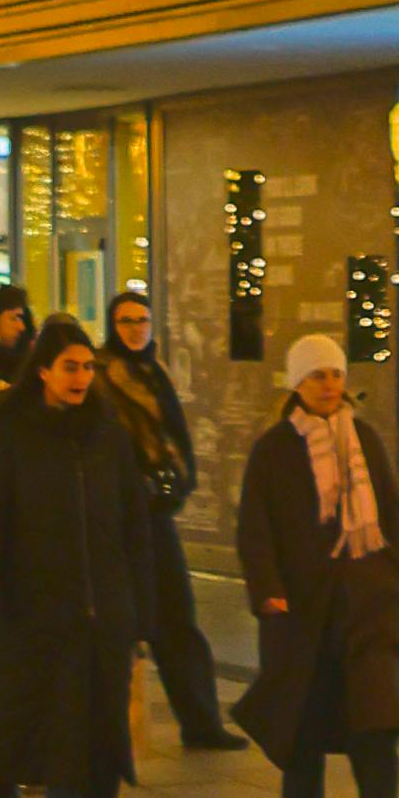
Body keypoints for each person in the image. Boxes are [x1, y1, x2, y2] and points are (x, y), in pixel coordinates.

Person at [0, 306, 160, 798]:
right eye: (71, 367)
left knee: (103, 734)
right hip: (28, 616)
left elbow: (134, 527)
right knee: (13, 723)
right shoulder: (7, 436)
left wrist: (138, 611)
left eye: (88, 368)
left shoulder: (107, 437)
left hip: (99, 619)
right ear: (43, 372)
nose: (82, 378)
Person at [238, 324, 399, 798]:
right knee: (306, 713)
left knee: (377, 710)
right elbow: (256, 527)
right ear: (297, 383)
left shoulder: (364, 440)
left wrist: (394, 572)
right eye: (317, 375)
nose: (329, 384)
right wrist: (267, 590)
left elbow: (389, 510)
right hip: (302, 603)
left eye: (337, 374)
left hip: (367, 598)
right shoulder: (275, 448)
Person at [98, 283, 245, 752]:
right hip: (121, 519)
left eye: (141, 320)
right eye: (126, 321)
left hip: (156, 515)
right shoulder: (103, 376)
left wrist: (177, 484)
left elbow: (175, 438)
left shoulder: (154, 372)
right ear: (111, 326)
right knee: (126, 621)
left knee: (177, 616)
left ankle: (201, 722)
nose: (135, 329)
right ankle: (107, 728)